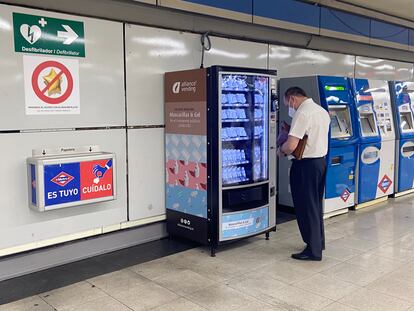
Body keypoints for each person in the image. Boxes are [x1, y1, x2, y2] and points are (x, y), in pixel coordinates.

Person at [277, 87, 330, 261]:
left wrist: (280, 150)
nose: (289, 109)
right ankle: (318, 242)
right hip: (320, 162)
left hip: (305, 166)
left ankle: (313, 251)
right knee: (314, 205)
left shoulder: (303, 113)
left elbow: (291, 145)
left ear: (292, 99)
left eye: (288, 105)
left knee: (305, 207)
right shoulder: (321, 111)